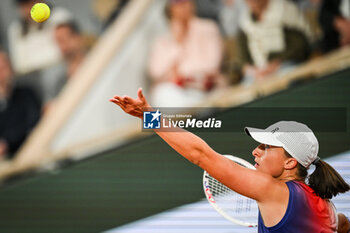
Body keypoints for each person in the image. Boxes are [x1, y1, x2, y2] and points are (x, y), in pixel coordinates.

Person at [109, 88, 350, 233]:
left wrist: (149, 116)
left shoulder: (273, 191)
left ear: (290, 163)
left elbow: (201, 155)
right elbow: (342, 223)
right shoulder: (326, 207)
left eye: (266, 147)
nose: (255, 152)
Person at [148, 0, 225, 107]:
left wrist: (179, 73)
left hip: (203, 88)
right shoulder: (163, 40)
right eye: (177, 5)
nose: (182, 7)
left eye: (185, 2)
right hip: (175, 92)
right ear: (170, 10)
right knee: (161, 95)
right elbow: (156, 72)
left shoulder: (208, 28)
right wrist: (177, 42)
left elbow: (212, 64)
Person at [237, 0, 313, 85]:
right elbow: (243, 60)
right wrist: (254, 70)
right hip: (258, 72)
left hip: (286, 63)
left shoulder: (284, 9)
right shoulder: (245, 22)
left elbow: (300, 44)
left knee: (290, 77)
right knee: (247, 88)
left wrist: (276, 64)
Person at [0, 50, 41, 160]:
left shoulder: (26, 94)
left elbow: (33, 122)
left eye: (4, 68)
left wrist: (7, 142)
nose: (2, 74)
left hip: (32, 153)